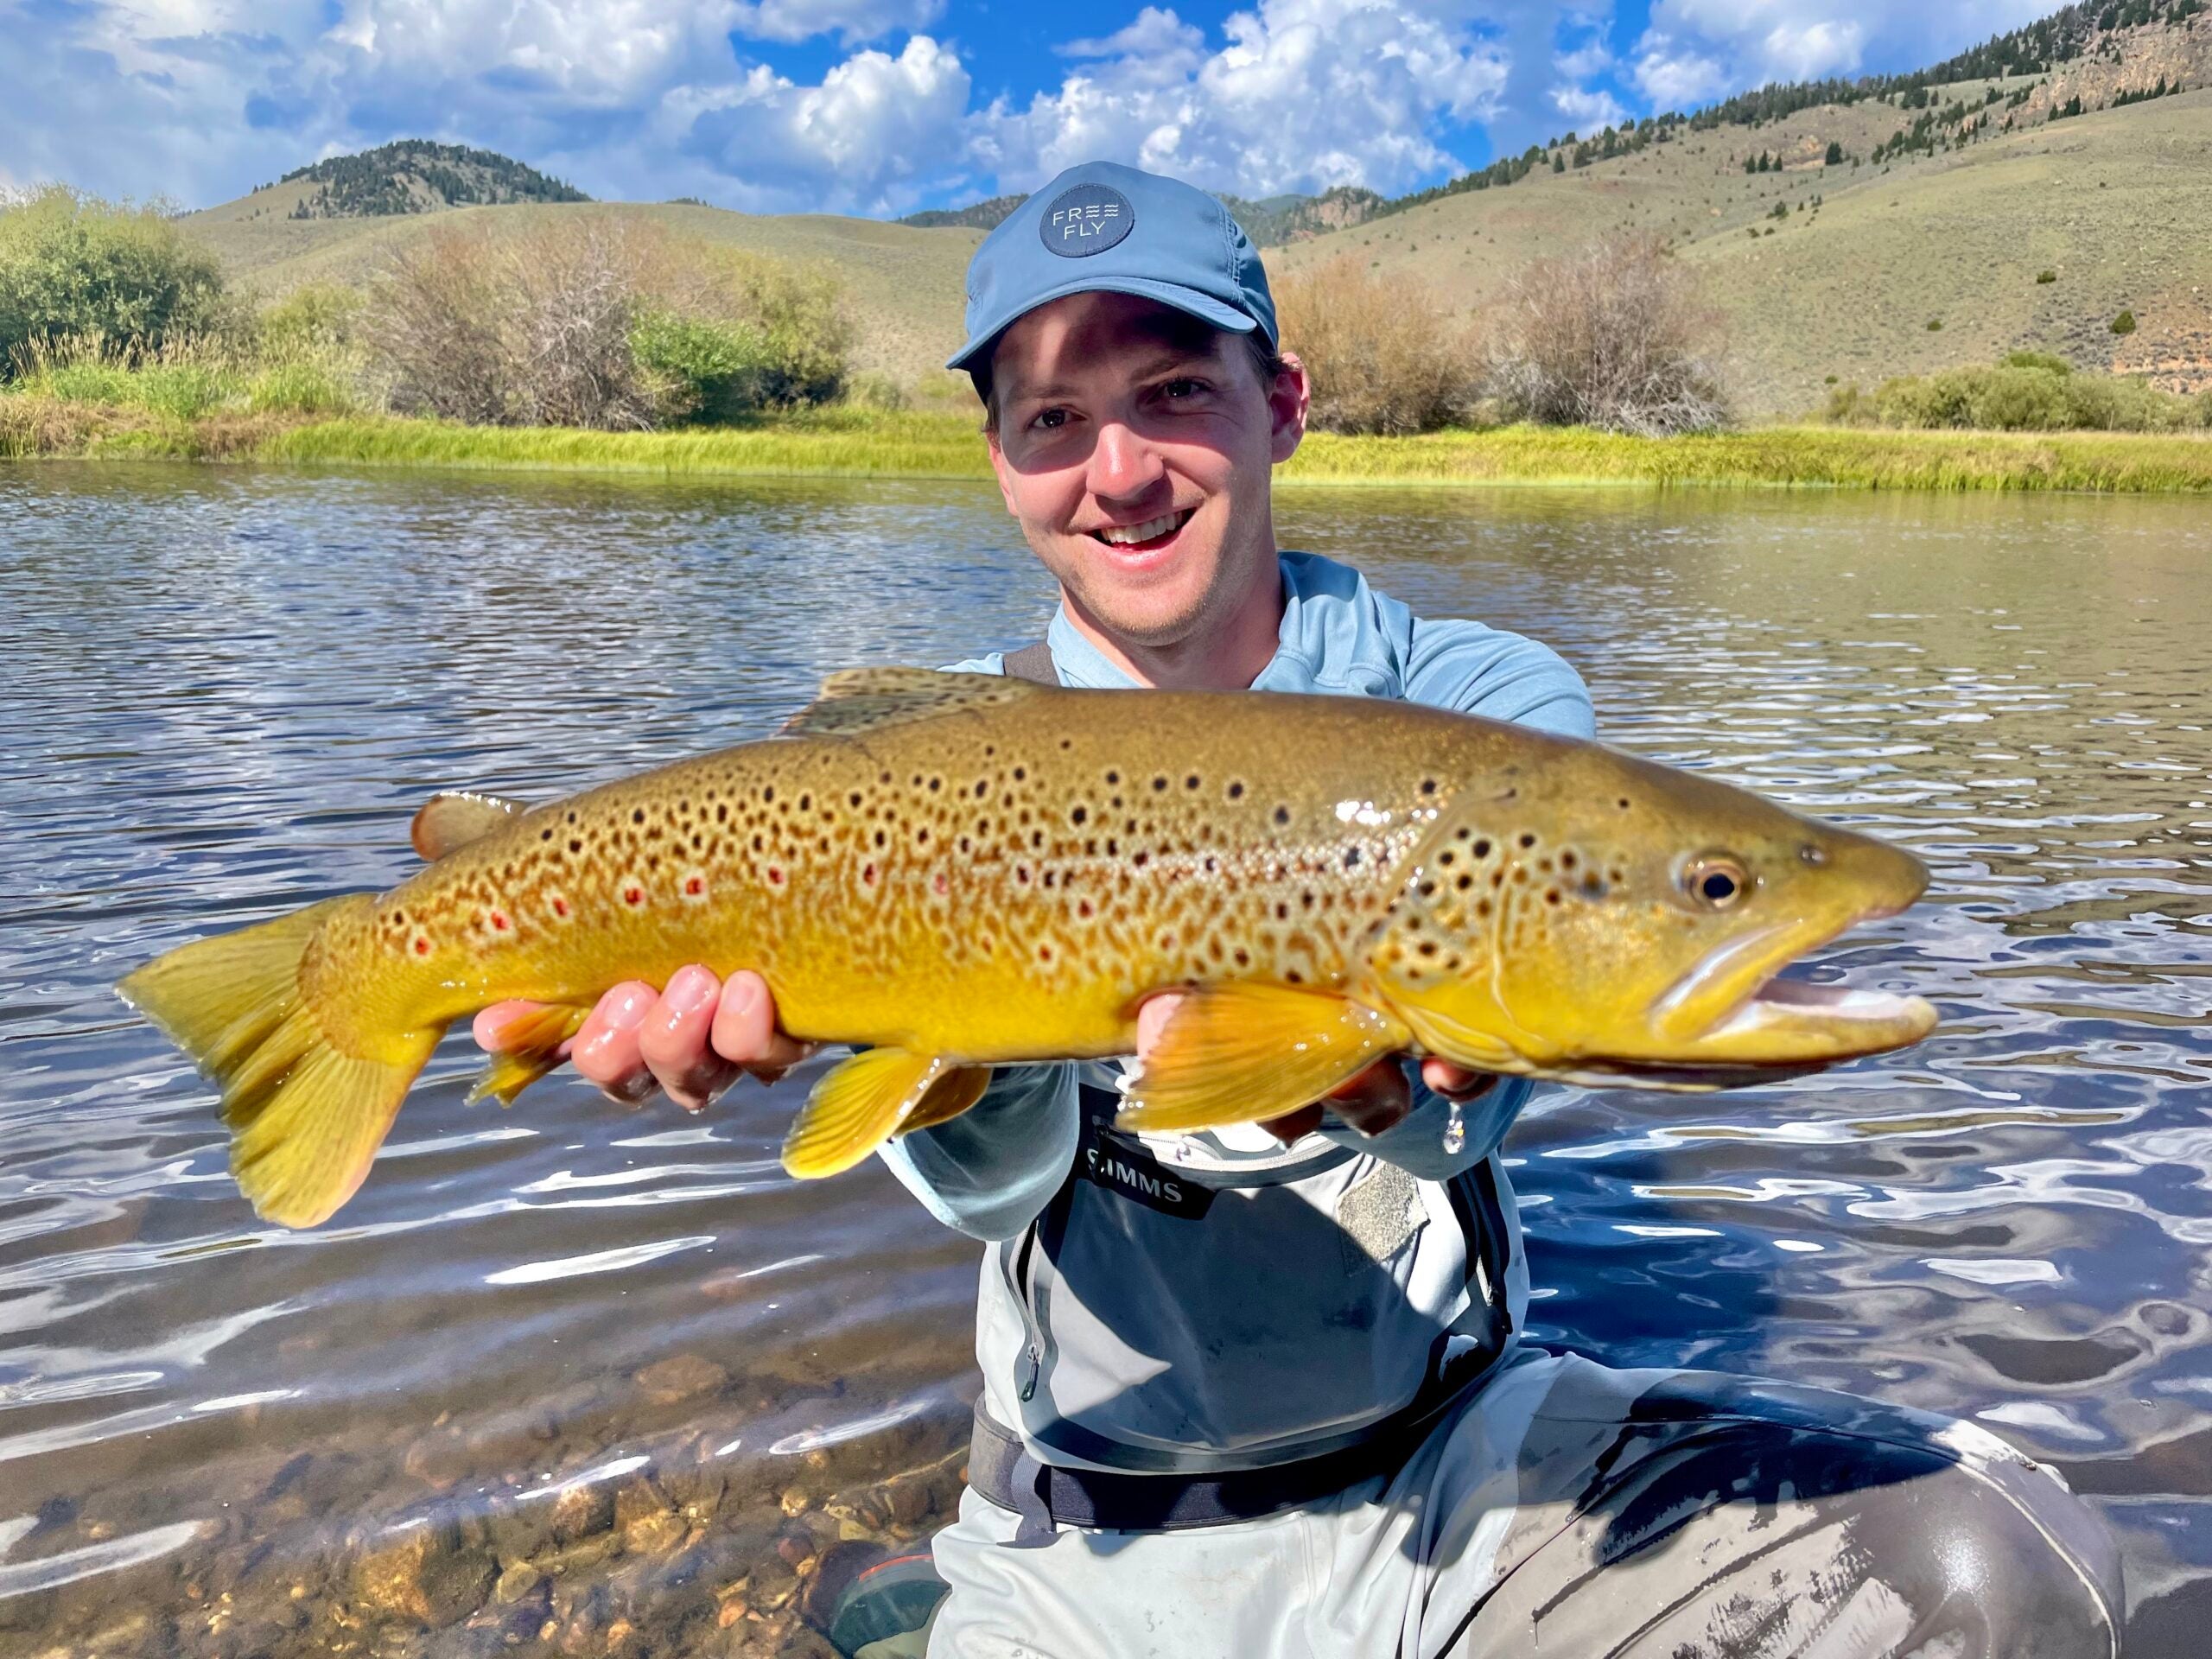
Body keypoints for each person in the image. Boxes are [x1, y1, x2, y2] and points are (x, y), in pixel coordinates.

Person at [478, 163, 2125, 1657]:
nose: (1117, 472)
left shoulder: (1484, 719)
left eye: (1175, 393)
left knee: (2009, 1564)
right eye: (1054, 422)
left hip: (1462, 1485)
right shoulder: (935, 766)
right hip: (1080, 1535)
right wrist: (888, 1047)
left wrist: (1382, 1072)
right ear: (1000, 462)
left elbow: (1459, 1127)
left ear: (1285, 404)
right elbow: (993, 1204)